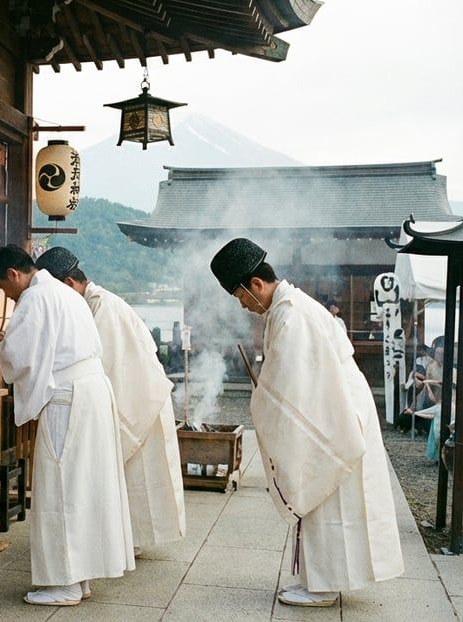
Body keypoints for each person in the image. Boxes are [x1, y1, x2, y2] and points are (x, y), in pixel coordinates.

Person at [209, 238, 404, 606]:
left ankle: (325, 584)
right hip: (335, 401)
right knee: (330, 495)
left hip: (336, 409)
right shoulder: (286, 306)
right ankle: (320, 577)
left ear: (256, 285)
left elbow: (291, 382)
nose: (242, 306)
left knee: (328, 490)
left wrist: (264, 399)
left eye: (239, 296)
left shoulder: (291, 313)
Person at [0, 245, 133, 606]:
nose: (6, 294)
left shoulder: (35, 298)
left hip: (69, 397)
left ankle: (64, 581)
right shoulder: (64, 293)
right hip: (91, 390)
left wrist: (0, 348)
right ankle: (79, 578)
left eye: (2, 287)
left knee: (61, 487)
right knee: (85, 486)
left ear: (14, 275)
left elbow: (21, 356)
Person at [36, 247, 186, 552]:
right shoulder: (91, 303)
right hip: (137, 393)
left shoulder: (102, 307)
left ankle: (130, 541)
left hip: (138, 398)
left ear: (68, 284)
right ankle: (129, 540)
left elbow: (105, 363)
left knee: (135, 475)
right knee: (133, 478)